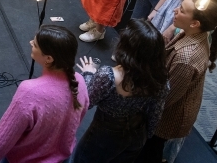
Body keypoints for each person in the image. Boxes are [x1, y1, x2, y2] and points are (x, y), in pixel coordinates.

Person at [0, 25, 88, 163]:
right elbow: (77, 121)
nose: (31, 43)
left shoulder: (30, 92)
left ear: (48, 58)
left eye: (35, 44)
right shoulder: (80, 80)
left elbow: (2, 140)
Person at [136, 0, 217, 163]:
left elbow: (167, 97)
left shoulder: (186, 59)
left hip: (169, 116)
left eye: (182, 10)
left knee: (150, 150)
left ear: (194, 23)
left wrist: (143, 110)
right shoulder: (195, 33)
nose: (175, 10)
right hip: (172, 106)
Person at [72, 20, 168, 162]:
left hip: (104, 135)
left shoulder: (108, 76)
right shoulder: (162, 81)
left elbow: (87, 100)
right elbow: (155, 115)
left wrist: (88, 73)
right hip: (137, 134)